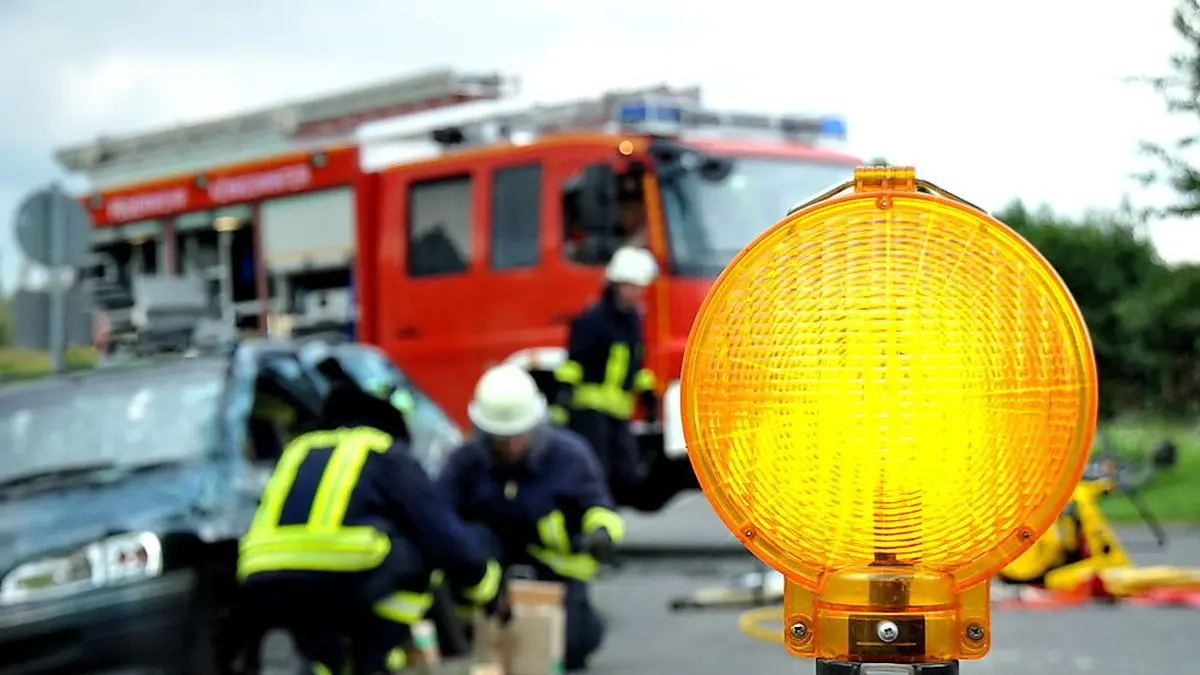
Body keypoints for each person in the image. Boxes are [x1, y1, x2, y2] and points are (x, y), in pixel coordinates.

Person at [237, 355, 502, 675]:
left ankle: (327, 663)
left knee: (319, 633)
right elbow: (441, 533)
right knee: (418, 552)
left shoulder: (299, 448)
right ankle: (375, 659)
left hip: (263, 575)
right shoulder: (382, 450)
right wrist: (484, 587)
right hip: (337, 571)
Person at [437, 365, 625, 672]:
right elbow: (438, 516)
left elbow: (599, 506)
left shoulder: (570, 456)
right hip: (488, 575)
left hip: (553, 570)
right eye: (501, 437)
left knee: (574, 647)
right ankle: (470, 628)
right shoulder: (466, 462)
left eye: (518, 436)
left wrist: (601, 534)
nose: (510, 446)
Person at [549, 246, 660, 502]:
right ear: (617, 285)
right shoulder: (593, 319)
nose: (637, 293)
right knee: (596, 469)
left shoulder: (632, 321)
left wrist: (648, 395)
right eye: (632, 286)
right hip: (590, 410)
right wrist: (563, 395)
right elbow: (574, 362)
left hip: (618, 413)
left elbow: (635, 363)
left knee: (628, 472)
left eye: (639, 288)